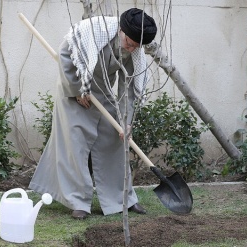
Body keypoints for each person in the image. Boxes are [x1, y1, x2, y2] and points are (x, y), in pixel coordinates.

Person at [29, 8, 157, 219]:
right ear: (121, 31)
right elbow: (64, 55)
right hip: (75, 90)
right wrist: (78, 89)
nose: (132, 47)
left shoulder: (134, 51)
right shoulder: (93, 30)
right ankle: (77, 202)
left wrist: (126, 121)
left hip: (103, 93)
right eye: (129, 42)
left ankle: (123, 199)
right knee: (75, 145)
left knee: (115, 142)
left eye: (137, 45)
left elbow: (129, 88)